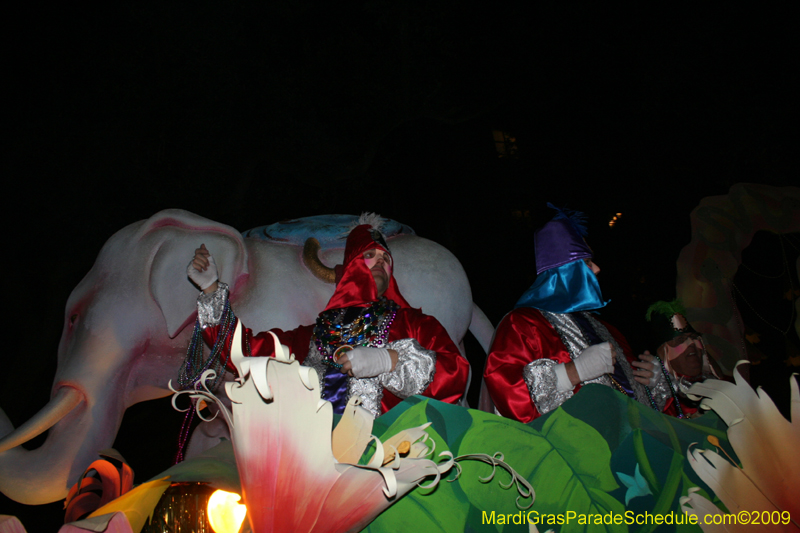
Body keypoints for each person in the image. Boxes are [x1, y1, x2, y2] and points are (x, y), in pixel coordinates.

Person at [180, 213, 470, 418]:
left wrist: (389, 360)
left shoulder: (417, 324)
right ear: (351, 266)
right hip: (323, 470)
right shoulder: (311, 337)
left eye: (385, 258)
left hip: (398, 463)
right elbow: (243, 351)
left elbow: (454, 374)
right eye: (370, 255)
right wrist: (211, 289)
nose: (380, 262)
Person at [483, 204, 680, 423]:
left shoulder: (606, 329)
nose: (596, 269)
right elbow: (508, 391)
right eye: (586, 262)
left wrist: (654, 384)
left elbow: (636, 404)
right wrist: (572, 372)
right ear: (565, 271)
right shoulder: (523, 325)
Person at [646, 299, 725, 416]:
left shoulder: (722, 385)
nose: (691, 343)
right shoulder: (658, 398)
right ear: (663, 353)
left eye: (694, 337)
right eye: (680, 340)